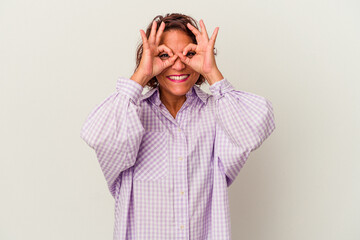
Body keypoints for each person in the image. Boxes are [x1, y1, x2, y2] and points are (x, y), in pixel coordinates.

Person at [81, 13, 275, 240]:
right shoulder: (130, 114)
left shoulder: (218, 113)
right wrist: (141, 75)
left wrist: (212, 72)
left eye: (189, 54)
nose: (179, 64)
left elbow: (253, 130)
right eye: (165, 55)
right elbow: (95, 134)